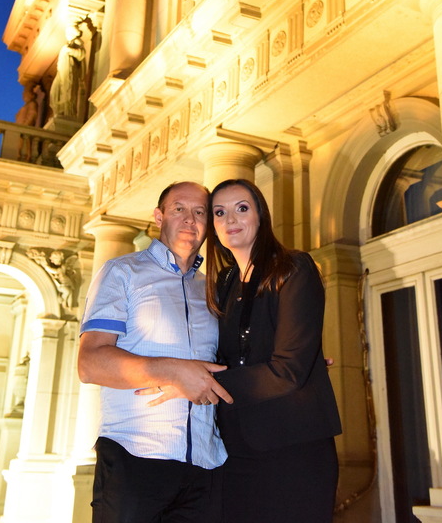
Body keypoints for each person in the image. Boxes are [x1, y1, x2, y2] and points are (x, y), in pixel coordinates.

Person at [78, 181, 232, 523]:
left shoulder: (212, 289)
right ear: (159, 217)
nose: (190, 219)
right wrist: (174, 372)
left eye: (200, 212)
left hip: (205, 466)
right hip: (135, 459)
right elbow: (90, 363)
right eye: (179, 209)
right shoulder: (122, 272)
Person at [207, 178, 341, 523]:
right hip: (234, 447)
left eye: (241, 208)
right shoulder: (224, 282)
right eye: (219, 212)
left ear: (261, 215)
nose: (230, 219)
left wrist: (203, 384)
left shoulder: (293, 267)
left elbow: (289, 370)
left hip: (293, 447)